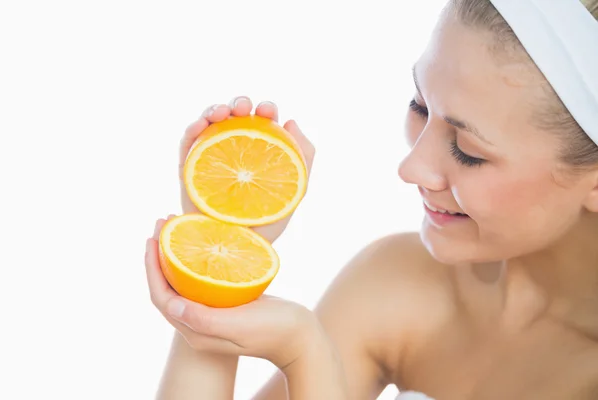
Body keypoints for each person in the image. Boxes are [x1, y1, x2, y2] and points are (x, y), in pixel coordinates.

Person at [144, 0, 598, 398]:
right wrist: (220, 256)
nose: (410, 169)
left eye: (469, 152)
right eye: (420, 106)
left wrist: (307, 356)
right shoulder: (402, 279)